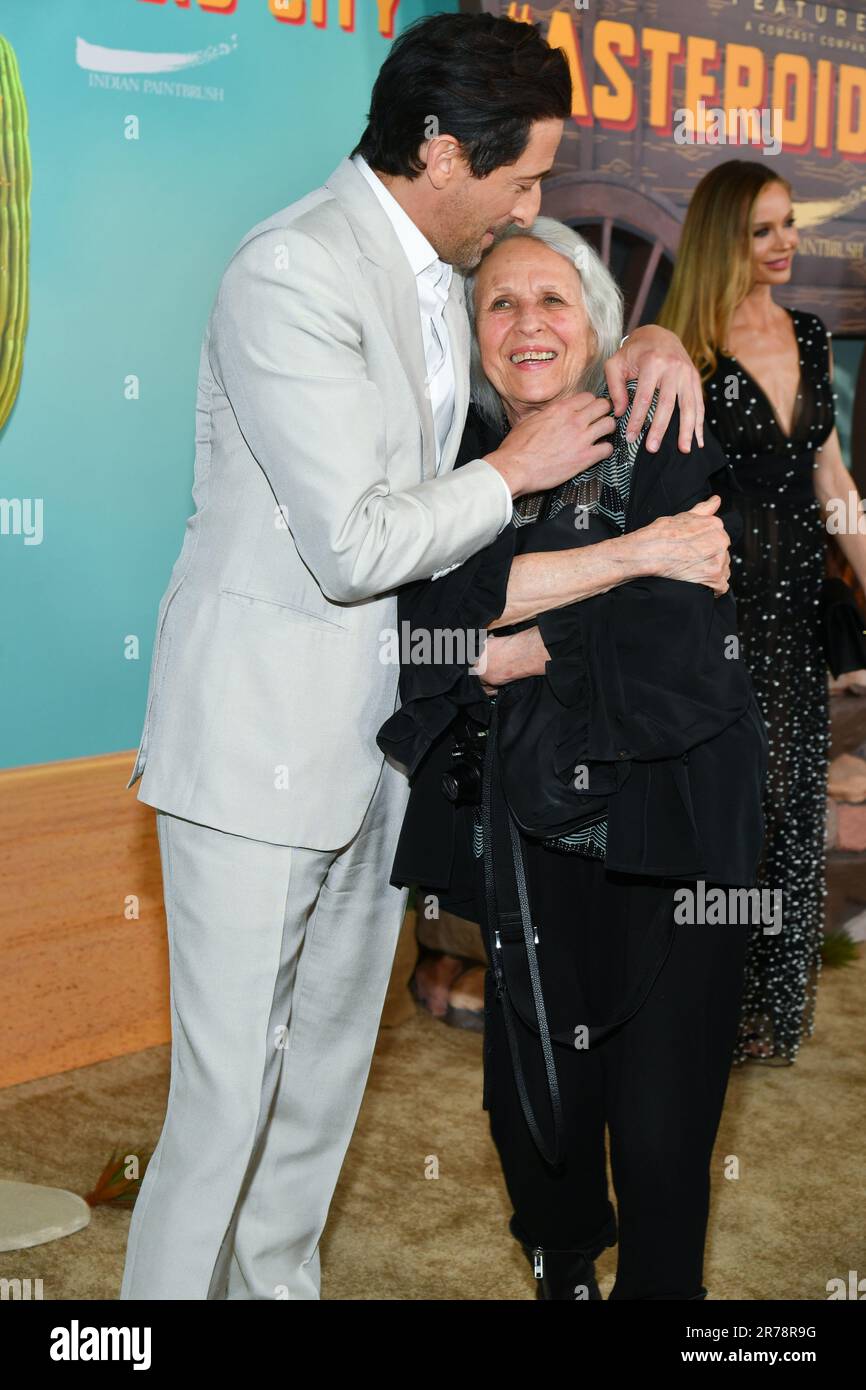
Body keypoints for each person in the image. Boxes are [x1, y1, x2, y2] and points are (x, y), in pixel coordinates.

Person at [119, 13, 707, 1300]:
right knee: (226, 1105)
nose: (535, 199)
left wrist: (656, 342)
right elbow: (353, 544)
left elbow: (547, 355)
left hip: (382, 751)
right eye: (525, 173)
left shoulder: (447, 283)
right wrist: (510, 472)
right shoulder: (291, 271)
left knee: (323, 1084)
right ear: (444, 153)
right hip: (256, 750)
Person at [378, 217, 768, 1301]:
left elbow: (680, 635)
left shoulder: (661, 424)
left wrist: (512, 651)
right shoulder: (457, 469)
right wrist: (626, 560)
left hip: (671, 825)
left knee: (658, 1124)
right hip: (521, 833)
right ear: (470, 334)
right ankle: (560, 1266)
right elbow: (418, 631)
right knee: (533, 1107)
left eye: (552, 299)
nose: (526, 323)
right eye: (498, 303)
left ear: (596, 319)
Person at [659, 160, 866, 1065]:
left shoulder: (810, 336)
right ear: (722, 239)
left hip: (794, 617)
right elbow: (658, 494)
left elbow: (834, 485)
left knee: (788, 808)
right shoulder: (681, 350)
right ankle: (700, 998)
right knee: (727, 806)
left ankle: (762, 1011)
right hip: (713, 609)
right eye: (763, 230)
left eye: (790, 225)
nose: (786, 245)